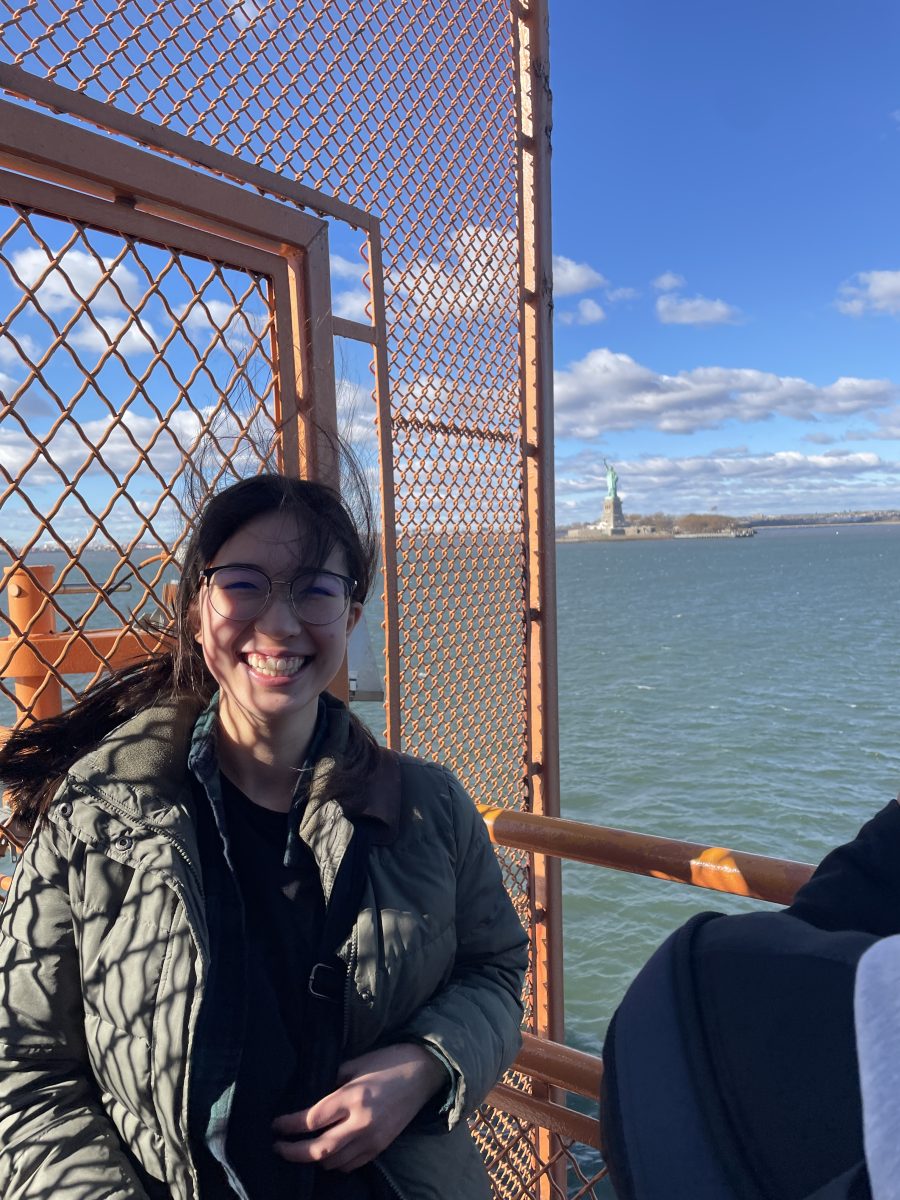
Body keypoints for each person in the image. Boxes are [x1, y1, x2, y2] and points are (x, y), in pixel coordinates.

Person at [0, 468, 528, 1200]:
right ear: (194, 610)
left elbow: (496, 971)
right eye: (243, 584)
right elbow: (23, 1068)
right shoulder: (96, 817)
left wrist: (427, 1062)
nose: (279, 625)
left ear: (349, 616)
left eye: (314, 589)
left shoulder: (427, 806)